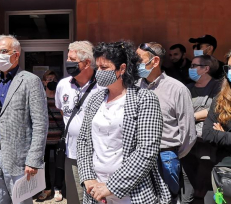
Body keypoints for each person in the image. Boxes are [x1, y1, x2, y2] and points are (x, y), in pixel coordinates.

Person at [77, 41, 171, 204]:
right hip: (95, 191)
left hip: (132, 192)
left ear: (122, 68)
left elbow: (147, 150)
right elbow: (84, 141)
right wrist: (88, 179)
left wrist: (111, 186)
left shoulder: (145, 99)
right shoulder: (95, 99)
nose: (99, 72)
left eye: (104, 68)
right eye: (97, 67)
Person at [0, 34, 48, 204]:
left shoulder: (31, 81)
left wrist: (34, 159)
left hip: (20, 159)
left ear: (16, 54)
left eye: (3, 51)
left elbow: (40, 123)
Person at [136, 42, 197, 201]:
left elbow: (188, 132)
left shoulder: (177, 89)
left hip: (166, 156)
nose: (135, 64)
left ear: (155, 61)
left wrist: (172, 155)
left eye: (139, 60)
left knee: (168, 199)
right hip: (138, 156)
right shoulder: (133, 88)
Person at [55, 40, 102, 204]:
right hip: (72, 154)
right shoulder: (63, 85)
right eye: (68, 58)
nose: (68, 63)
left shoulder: (103, 86)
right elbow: (63, 112)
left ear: (88, 62)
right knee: (75, 199)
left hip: (98, 156)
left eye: (72, 59)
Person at [181, 55, 221, 203]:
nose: (190, 69)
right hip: (187, 141)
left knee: (202, 184)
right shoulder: (187, 88)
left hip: (206, 143)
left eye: (194, 66)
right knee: (187, 181)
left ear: (206, 69)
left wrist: (191, 116)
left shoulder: (218, 87)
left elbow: (214, 111)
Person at [202, 50, 231, 203]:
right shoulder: (220, 99)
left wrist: (222, 134)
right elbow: (207, 133)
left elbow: (215, 135)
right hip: (224, 172)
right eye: (229, 68)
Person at [38, 70, 64, 202]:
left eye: (53, 79)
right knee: (45, 164)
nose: (50, 82)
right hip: (45, 138)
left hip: (59, 137)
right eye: (48, 79)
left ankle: (58, 188)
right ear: (43, 81)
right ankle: (47, 188)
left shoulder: (61, 98)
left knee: (59, 164)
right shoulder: (40, 98)